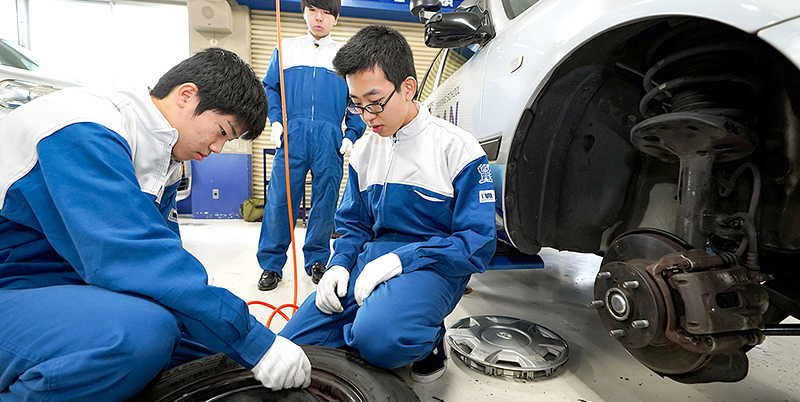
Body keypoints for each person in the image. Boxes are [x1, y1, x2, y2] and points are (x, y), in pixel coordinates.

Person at [0, 48, 310, 401]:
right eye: (222, 131)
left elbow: (166, 273)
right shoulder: (83, 126)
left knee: (208, 349)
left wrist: (233, 338)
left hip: (54, 286)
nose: (219, 148)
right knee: (141, 335)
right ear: (186, 95)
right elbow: (131, 260)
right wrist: (251, 338)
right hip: (14, 288)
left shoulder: (162, 162)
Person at [279, 25, 497, 383]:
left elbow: (476, 245)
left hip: (435, 265)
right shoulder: (365, 150)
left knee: (380, 340)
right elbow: (353, 226)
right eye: (357, 104)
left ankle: (427, 338)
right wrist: (339, 265)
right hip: (372, 258)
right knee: (292, 344)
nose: (367, 115)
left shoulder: (457, 148)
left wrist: (403, 259)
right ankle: (375, 318)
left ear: (408, 88)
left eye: (376, 101)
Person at [256, 0, 367, 291]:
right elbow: (271, 88)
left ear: (336, 18)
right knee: (280, 202)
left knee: (325, 203)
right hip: (292, 136)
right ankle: (271, 264)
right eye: (313, 10)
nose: (319, 18)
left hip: (329, 140)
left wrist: (351, 134)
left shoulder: (346, 58)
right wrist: (277, 121)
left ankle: (317, 259)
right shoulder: (286, 48)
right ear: (304, 12)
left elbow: (356, 102)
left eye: (327, 12)